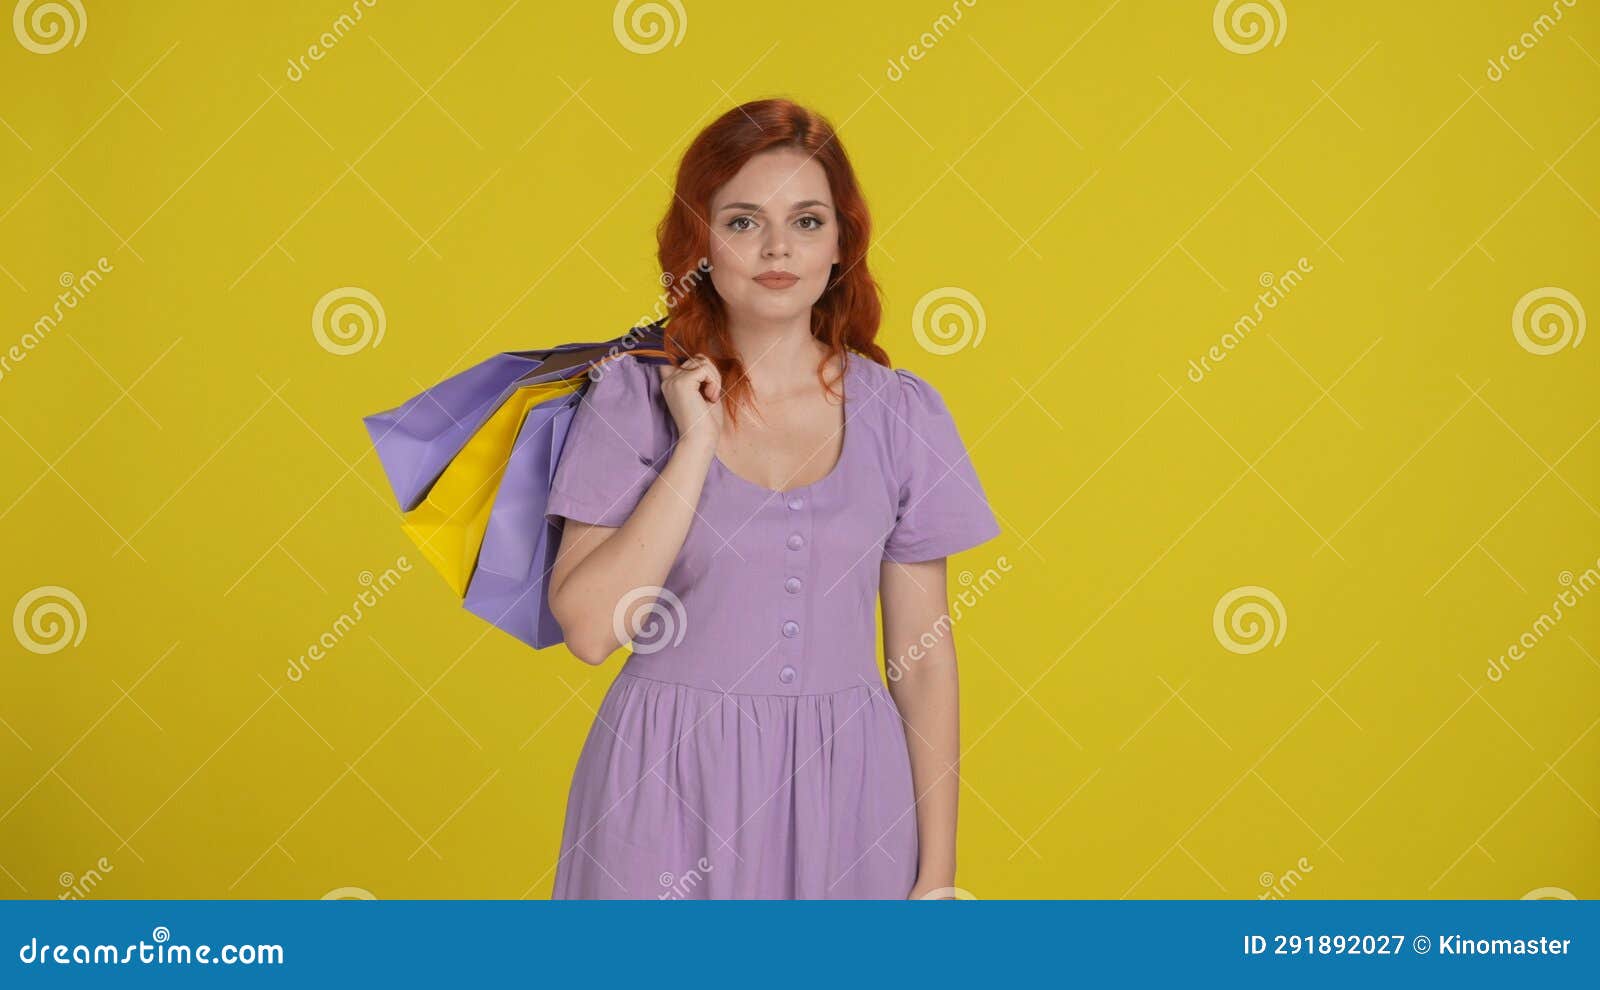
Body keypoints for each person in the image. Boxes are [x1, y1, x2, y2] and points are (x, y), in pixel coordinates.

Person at [543, 98, 1000, 899]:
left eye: (808, 220)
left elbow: (923, 664)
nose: (779, 246)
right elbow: (587, 629)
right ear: (700, 244)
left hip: (854, 794)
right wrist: (694, 446)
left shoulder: (902, 413)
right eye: (744, 221)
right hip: (664, 787)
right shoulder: (630, 397)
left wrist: (938, 874)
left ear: (842, 245)